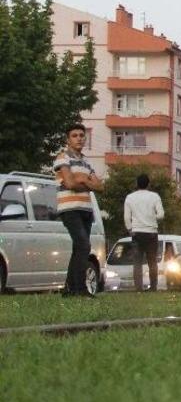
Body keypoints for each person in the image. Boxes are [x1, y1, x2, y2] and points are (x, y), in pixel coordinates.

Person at [53, 122, 104, 297]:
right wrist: (85, 182)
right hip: (69, 208)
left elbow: (100, 186)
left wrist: (82, 181)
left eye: (82, 135)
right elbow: (69, 183)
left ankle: (69, 289)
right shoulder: (62, 157)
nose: (79, 139)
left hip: (86, 209)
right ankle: (80, 289)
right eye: (74, 135)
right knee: (83, 245)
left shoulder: (86, 161)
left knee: (79, 248)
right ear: (68, 139)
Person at [124, 173, 164, 291]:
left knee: (137, 262)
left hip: (136, 232)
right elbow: (161, 215)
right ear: (148, 184)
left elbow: (127, 217)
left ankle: (138, 288)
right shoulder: (154, 196)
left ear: (136, 184)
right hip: (151, 232)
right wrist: (152, 217)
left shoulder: (130, 197)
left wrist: (130, 228)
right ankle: (153, 287)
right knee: (152, 261)